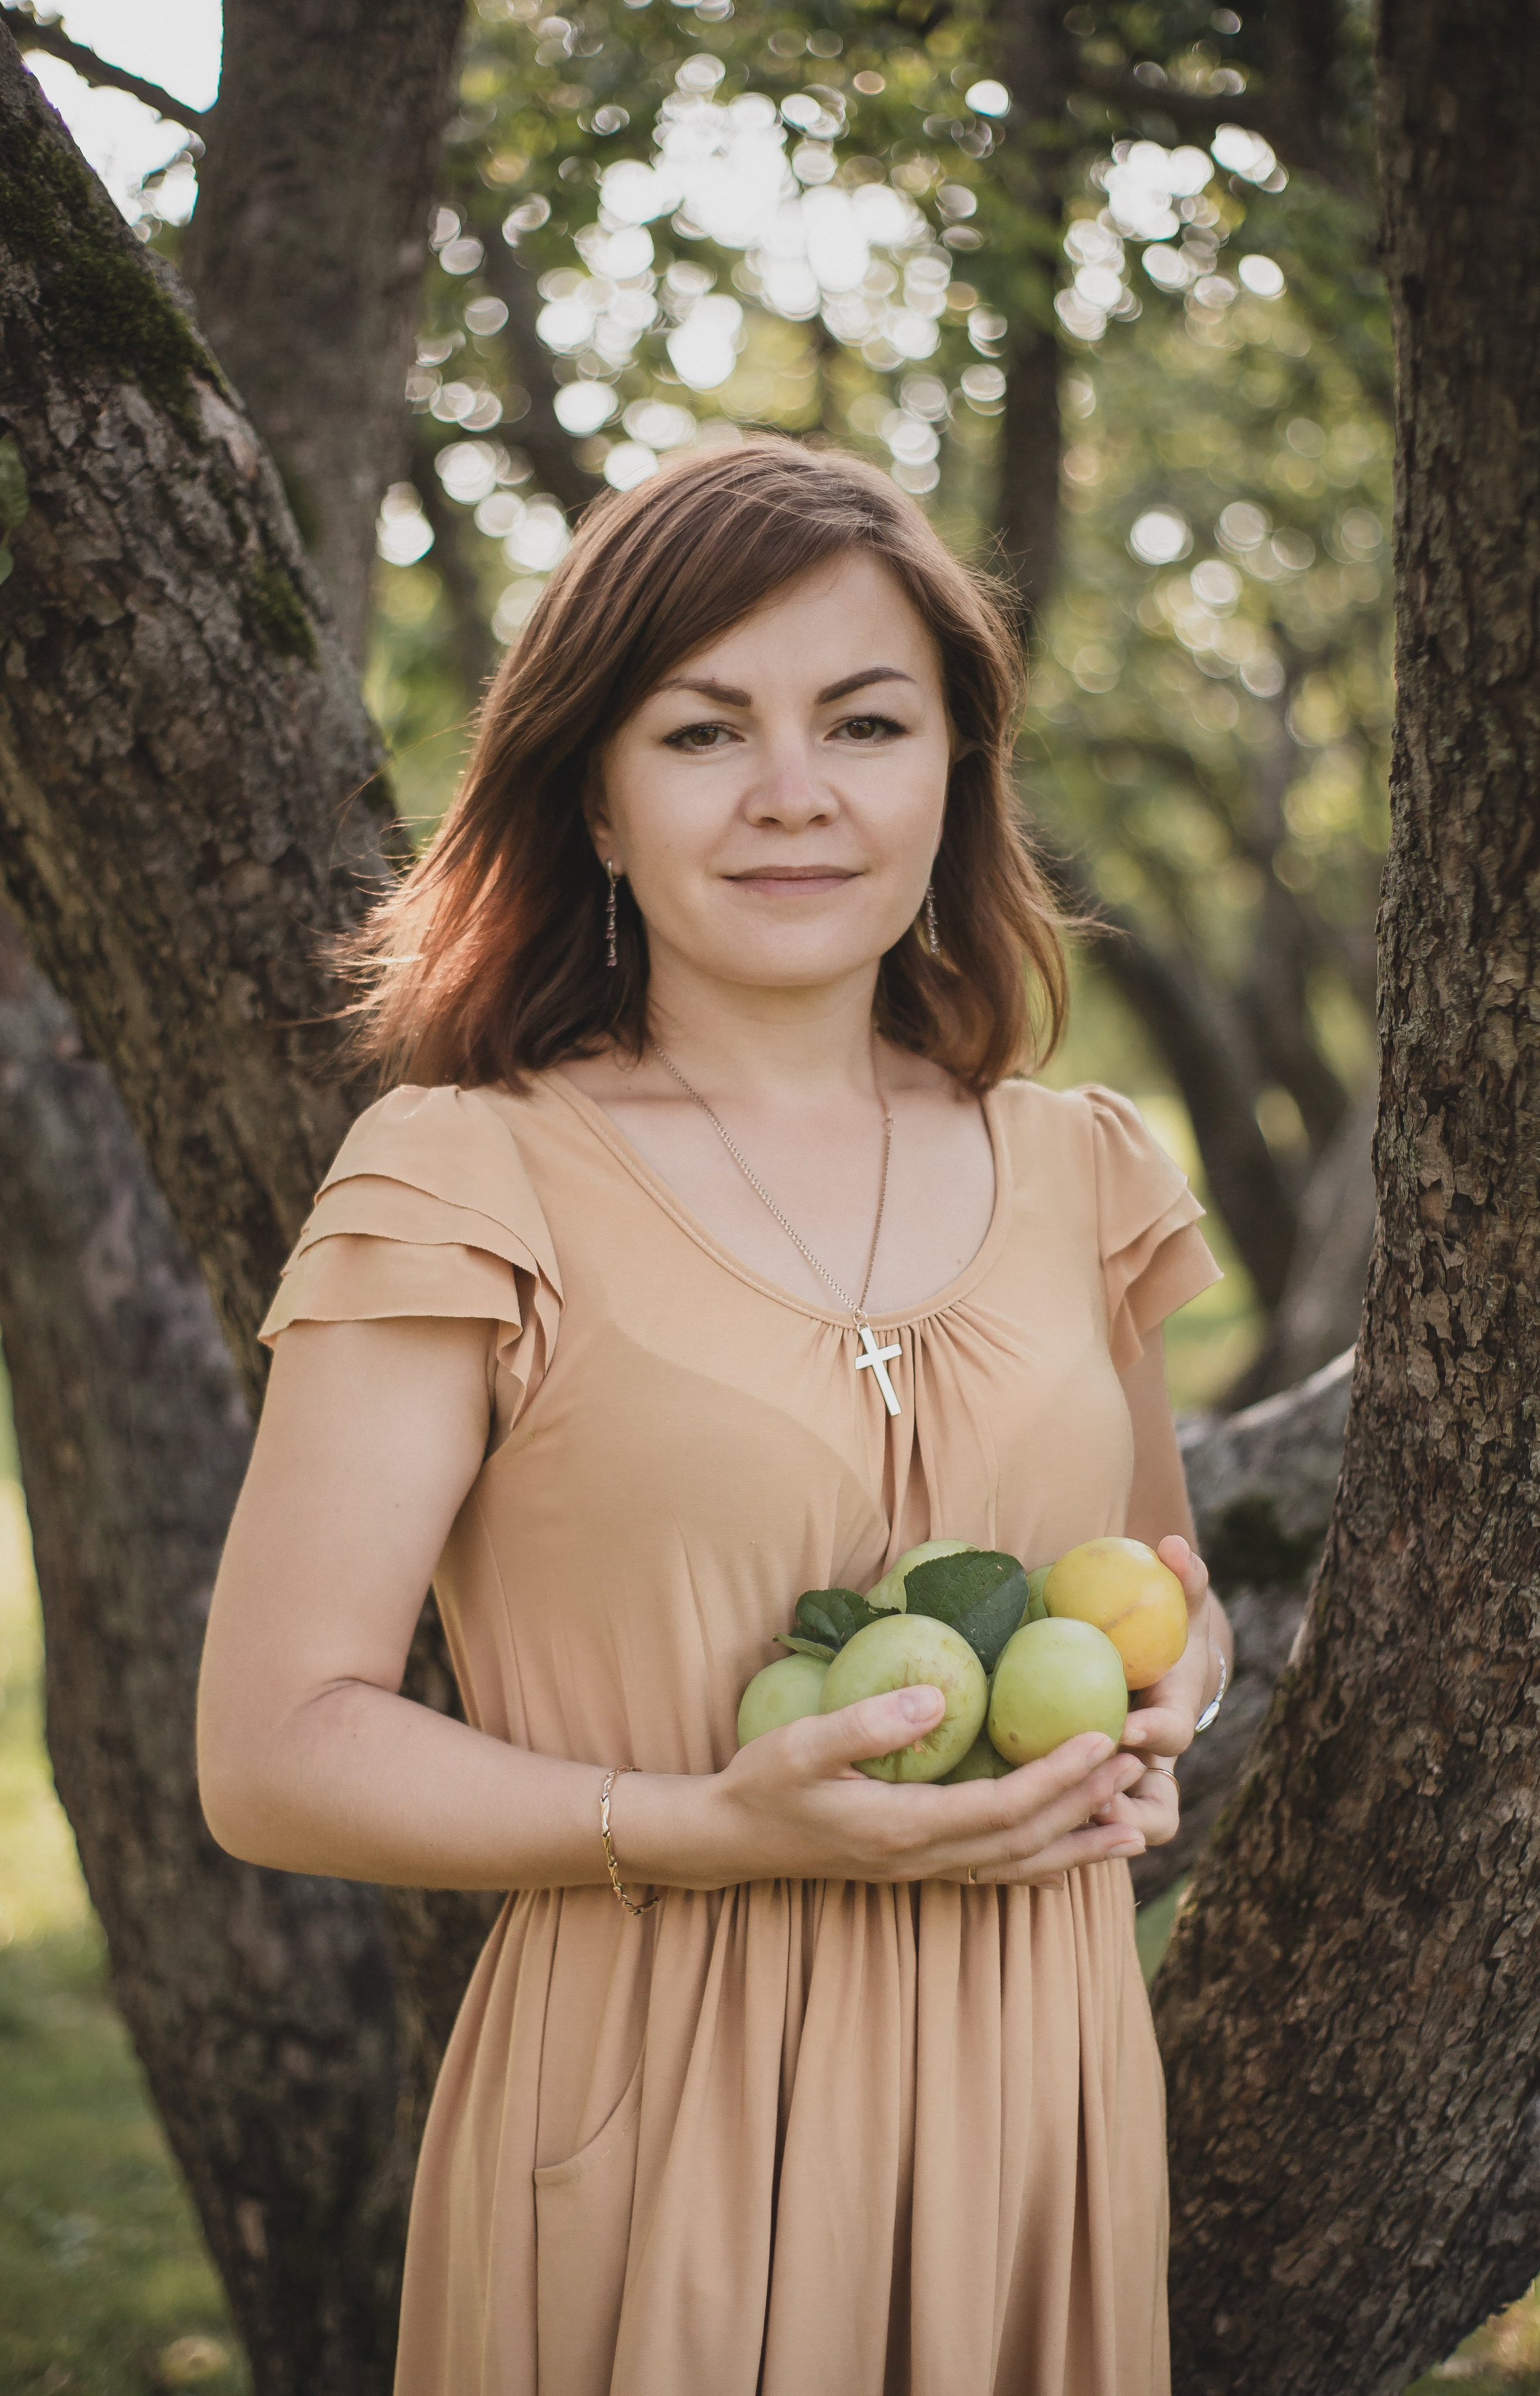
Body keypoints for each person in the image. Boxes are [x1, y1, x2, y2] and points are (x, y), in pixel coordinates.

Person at [196, 440, 1231, 2396]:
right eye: (702, 731)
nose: (794, 796)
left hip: (1041, 2103)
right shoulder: (460, 1173)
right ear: (593, 788)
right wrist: (698, 1825)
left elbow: (1152, 1582)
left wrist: (1166, 1707)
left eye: (865, 722)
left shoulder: (1087, 1166)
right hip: (655, 2105)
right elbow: (271, 1750)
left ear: (953, 770)